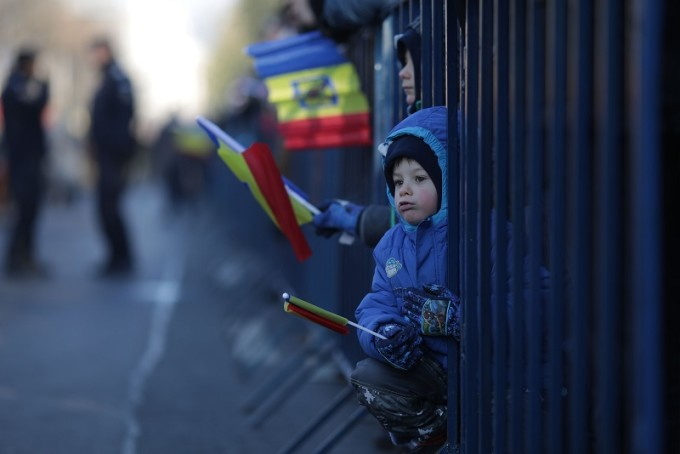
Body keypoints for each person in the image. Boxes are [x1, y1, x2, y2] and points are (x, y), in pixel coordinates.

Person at [349, 106, 452, 453]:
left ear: (450, 178)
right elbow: (375, 306)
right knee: (367, 373)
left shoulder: (486, 235)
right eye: (397, 182)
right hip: (430, 373)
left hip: (488, 373)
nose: (404, 190)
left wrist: (461, 317)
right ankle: (433, 427)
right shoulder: (393, 244)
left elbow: (536, 298)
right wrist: (385, 336)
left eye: (419, 179)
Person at [312, 16, 422, 247]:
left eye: (413, 62)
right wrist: (360, 219)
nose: (402, 72)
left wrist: (358, 220)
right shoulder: (417, 126)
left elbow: (431, 225)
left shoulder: (443, 133)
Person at [88, 38, 136, 276]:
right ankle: (117, 257)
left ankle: (121, 258)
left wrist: (116, 150)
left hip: (114, 155)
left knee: (109, 207)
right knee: (106, 207)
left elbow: (123, 117)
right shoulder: (109, 78)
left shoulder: (117, 79)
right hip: (107, 154)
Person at [1, 48, 50, 277]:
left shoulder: (23, 86)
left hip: (29, 157)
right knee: (24, 209)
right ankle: (17, 257)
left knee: (31, 210)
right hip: (22, 158)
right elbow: (35, 104)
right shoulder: (15, 87)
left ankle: (25, 256)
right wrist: (44, 87)